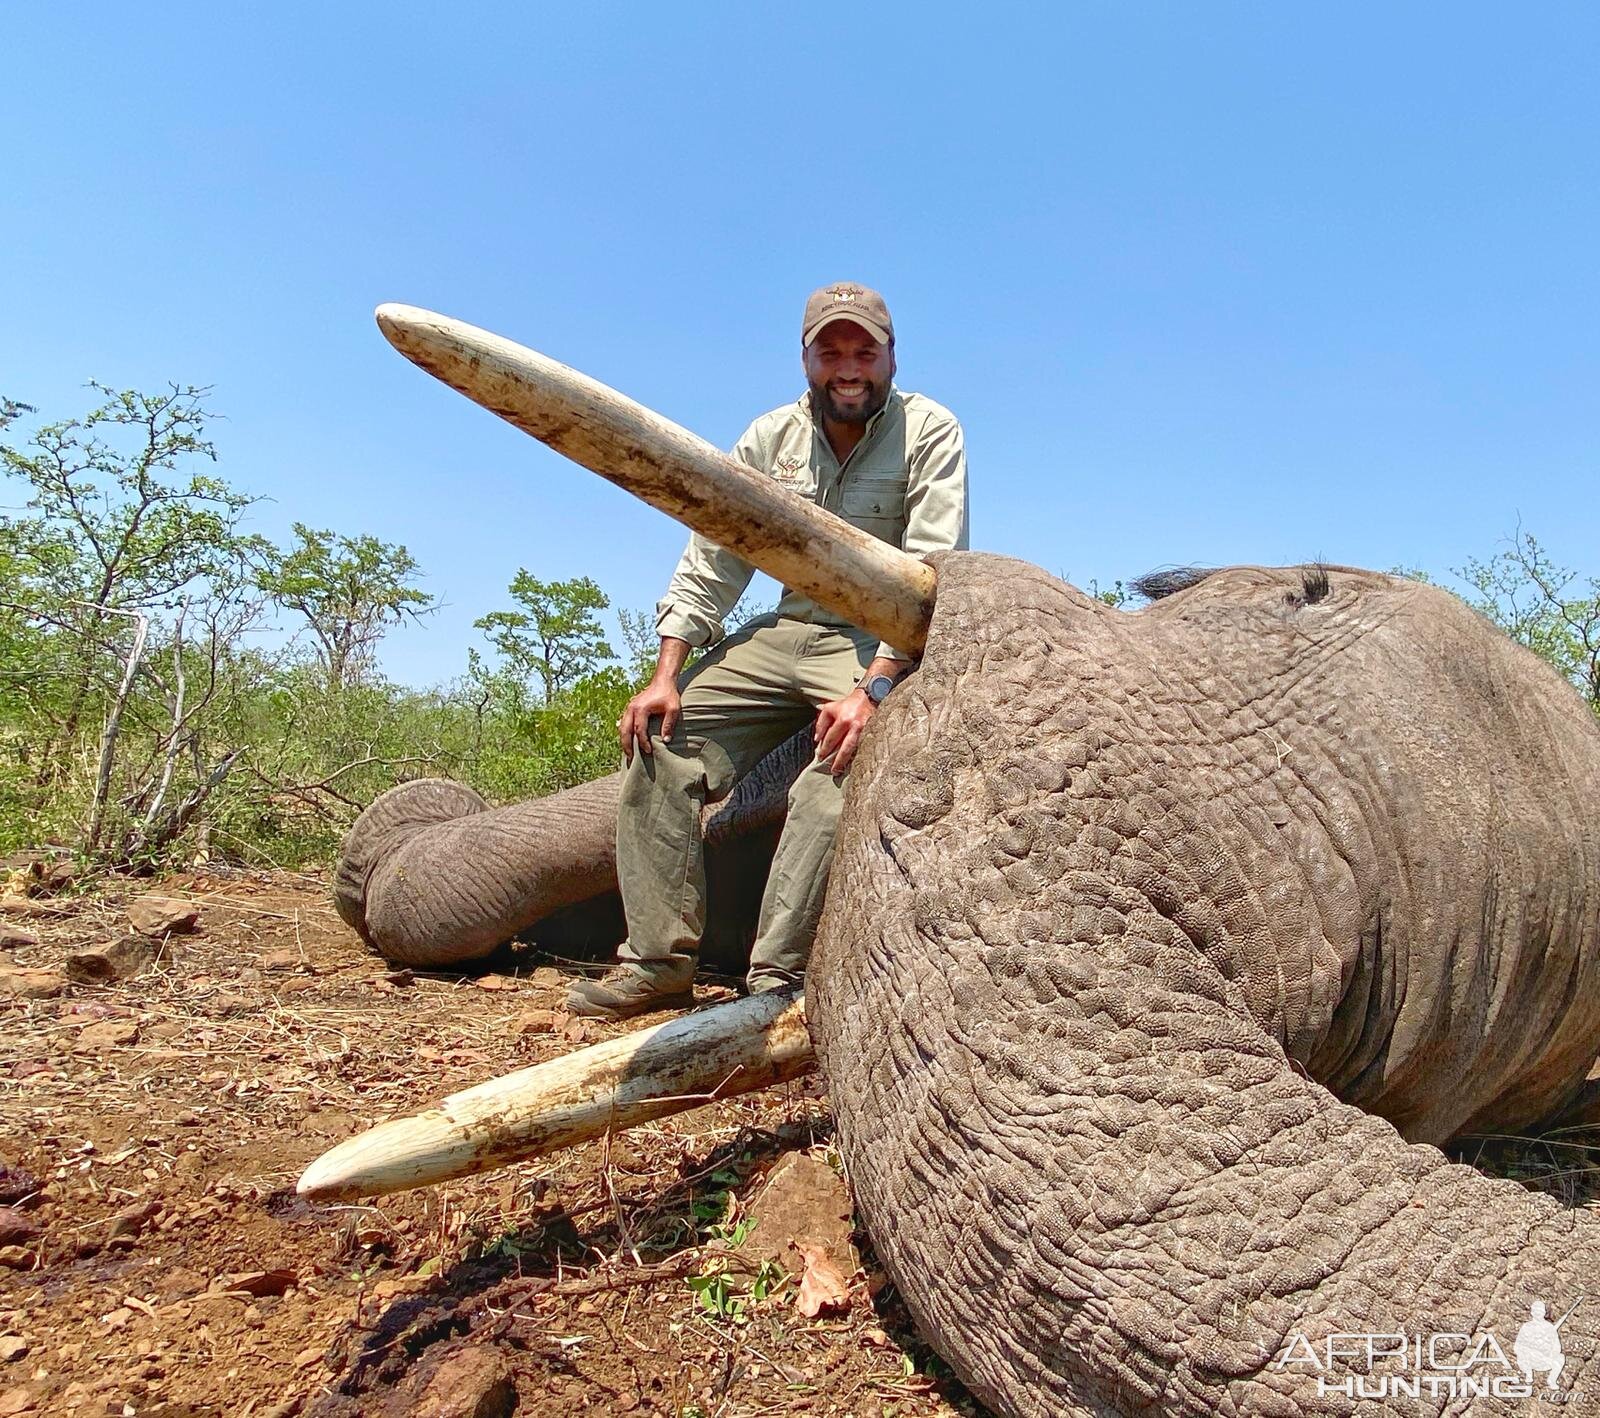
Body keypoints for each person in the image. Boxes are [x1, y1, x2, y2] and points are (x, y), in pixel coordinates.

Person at [566, 282, 969, 1019]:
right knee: (662, 740)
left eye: (864, 351)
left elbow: (933, 568)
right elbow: (713, 554)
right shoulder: (767, 438)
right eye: (830, 351)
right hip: (784, 630)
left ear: (891, 356)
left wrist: (875, 690)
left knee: (844, 764)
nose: (848, 367)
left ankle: (776, 977)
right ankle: (656, 963)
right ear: (806, 358)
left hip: (871, 638)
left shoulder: (931, 429)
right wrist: (667, 674)